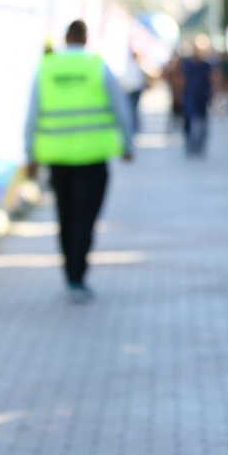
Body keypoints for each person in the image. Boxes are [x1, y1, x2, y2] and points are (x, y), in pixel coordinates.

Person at [25, 20, 134, 303]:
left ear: (66, 38)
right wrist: (127, 143)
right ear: (85, 38)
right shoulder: (97, 66)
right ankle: (78, 273)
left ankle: (71, 275)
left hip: (58, 159)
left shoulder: (47, 67)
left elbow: (32, 114)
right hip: (92, 158)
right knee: (85, 219)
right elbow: (119, 106)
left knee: (66, 217)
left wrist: (30, 155)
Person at [181, 35, 214, 158]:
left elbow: (213, 79)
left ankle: (201, 145)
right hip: (190, 95)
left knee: (203, 121)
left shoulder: (207, 65)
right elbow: (182, 79)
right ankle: (189, 144)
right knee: (189, 119)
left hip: (203, 96)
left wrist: (213, 93)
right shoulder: (187, 64)